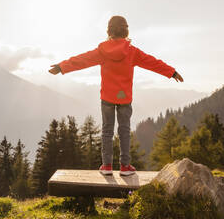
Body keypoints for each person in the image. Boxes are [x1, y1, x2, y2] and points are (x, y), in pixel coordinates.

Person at [49, 16, 183, 176]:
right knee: (124, 130)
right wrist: (171, 72)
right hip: (124, 98)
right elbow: (152, 62)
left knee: (107, 130)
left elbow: (82, 60)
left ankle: (106, 166)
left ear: (109, 31)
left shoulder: (102, 51)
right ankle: (125, 166)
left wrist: (61, 66)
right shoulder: (132, 52)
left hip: (107, 97)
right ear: (126, 31)